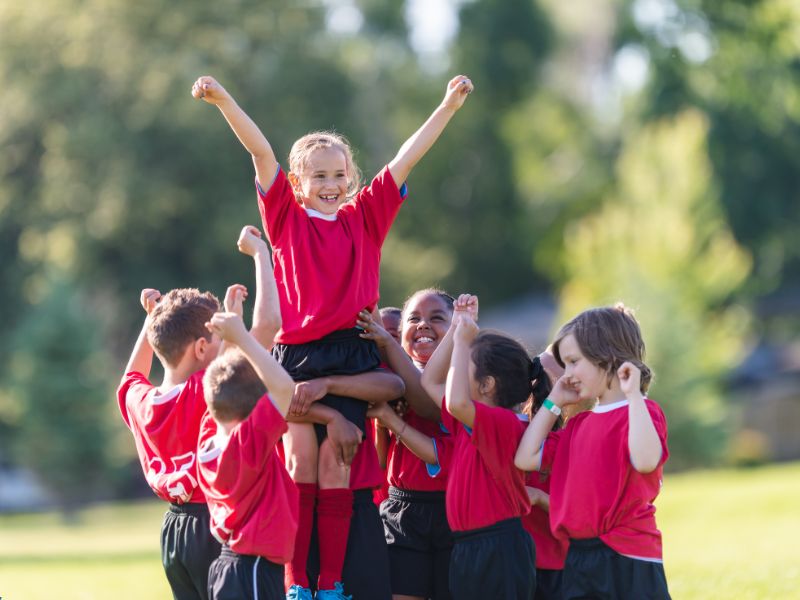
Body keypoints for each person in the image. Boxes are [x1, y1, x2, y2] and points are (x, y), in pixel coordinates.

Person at [192, 73, 472, 600]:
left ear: (351, 179)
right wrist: (223, 99)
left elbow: (407, 158)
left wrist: (447, 108)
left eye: (339, 174)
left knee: (333, 466)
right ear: (298, 183)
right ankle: (297, 582)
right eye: (318, 175)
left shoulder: (365, 216)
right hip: (295, 356)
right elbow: (260, 151)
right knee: (299, 460)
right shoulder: (285, 218)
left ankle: (330, 582)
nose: (330, 183)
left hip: (349, 353)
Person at [117, 225, 278, 599]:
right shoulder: (206, 389)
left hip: (174, 531)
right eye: (220, 336)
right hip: (214, 522)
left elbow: (130, 377)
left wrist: (152, 319)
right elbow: (268, 327)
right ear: (202, 349)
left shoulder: (140, 401)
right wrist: (262, 255)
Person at [514, 305, 671, 600]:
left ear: (606, 356)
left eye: (574, 362)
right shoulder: (578, 425)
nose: (567, 374)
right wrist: (554, 401)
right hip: (580, 557)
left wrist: (633, 395)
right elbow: (525, 458)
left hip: (628, 555)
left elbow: (646, 461)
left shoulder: (642, 411)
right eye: (565, 364)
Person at [420, 295, 537, 600]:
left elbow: (456, 402)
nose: (455, 373)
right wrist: (456, 328)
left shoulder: (505, 424)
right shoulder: (469, 423)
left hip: (498, 548)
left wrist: (463, 342)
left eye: (464, 366)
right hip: (469, 546)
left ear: (487, 385)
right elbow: (430, 382)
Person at [357, 289, 456, 600]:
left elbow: (430, 406)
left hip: (454, 510)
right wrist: (382, 421)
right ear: (402, 335)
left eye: (436, 318)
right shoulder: (389, 380)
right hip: (403, 509)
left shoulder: (463, 379)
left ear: (456, 328)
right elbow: (380, 463)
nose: (423, 325)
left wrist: (392, 420)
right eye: (414, 319)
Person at [199, 311, 297, 600]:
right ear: (256, 410)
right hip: (252, 569)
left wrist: (229, 340)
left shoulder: (205, 442)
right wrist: (240, 337)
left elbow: (219, 387)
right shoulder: (246, 443)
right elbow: (285, 387)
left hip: (228, 566)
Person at [520, 351, 568, 600]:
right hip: (521, 560)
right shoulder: (516, 430)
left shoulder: (570, 439)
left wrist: (539, 497)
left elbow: (581, 510)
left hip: (557, 564)